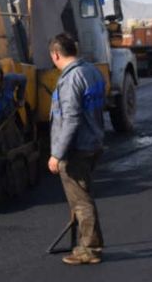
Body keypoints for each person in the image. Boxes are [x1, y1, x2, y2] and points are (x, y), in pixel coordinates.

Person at [47, 32, 107, 265]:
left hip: (77, 148)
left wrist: (56, 154)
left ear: (56, 54)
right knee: (83, 197)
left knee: (81, 202)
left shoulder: (71, 79)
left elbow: (71, 119)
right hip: (93, 142)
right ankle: (84, 242)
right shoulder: (92, 72)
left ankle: (89, 249)